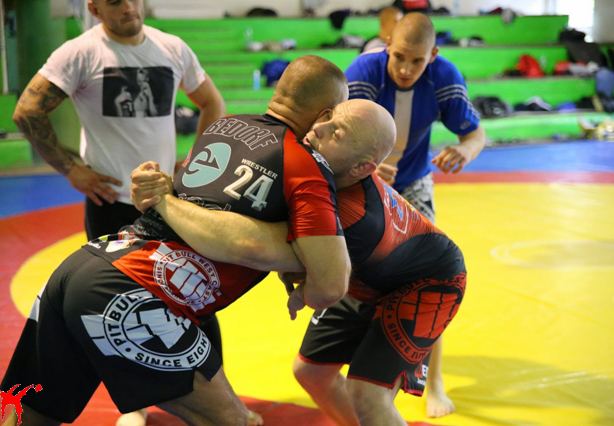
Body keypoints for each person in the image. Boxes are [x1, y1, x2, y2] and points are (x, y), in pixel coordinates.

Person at [0, 55, 351, 426]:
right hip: (132, 288)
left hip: (85, 263)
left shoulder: (226, 126)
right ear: (326, 116)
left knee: (31, 412)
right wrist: (306, 257)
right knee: (230, 421)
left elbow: (212, 205)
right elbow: (329, 283)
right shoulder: (305, 165)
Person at [130, 99, 466, 426]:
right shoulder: (318, 168)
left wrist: (165, 199)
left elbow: (252, 245)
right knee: (311, 373)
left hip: (427, 281)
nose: (319, 127)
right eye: (329, 117)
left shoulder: (352, 217)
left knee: (368, 394)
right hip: (369, 276)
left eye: (337, 132)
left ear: (361, 168)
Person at [345, 12, 486, 417]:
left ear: (433, 55)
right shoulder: (363, 73)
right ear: (387, 45)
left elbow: (475, 133)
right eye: (400, 57)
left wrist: (466, 150)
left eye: (417, 61)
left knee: (431, 280)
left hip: (413, 181)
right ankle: (354, 358)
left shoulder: (445, 77)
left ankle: (434, 381)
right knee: (357, 274)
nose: (406, 69)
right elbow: (333, 136)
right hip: (362, 179)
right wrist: (365, 168)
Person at [11, 0, 225, 242]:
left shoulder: (172, 48)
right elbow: (27, 111)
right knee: (112, 268)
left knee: (168, 267)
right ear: (95, 10)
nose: (129, 8)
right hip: (109, 201)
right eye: (115, 2)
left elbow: (212, 102)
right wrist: (70, 170)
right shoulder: (80, 53)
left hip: (163, 198)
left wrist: (193, 161)